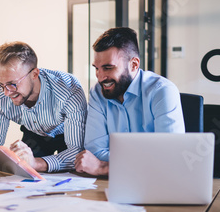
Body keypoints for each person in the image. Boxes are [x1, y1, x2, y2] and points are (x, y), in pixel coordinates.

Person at [75, 27, 185, 176]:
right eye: (97, 68)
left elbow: (170, 157)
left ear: (134, 65)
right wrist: (146, 160)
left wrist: (104, 167)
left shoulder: (162, 91)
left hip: (157, 184)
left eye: (108, 68)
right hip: (110, 186)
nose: (100, 77)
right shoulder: (97, 93)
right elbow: (94, 152)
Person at [0, 41, 87, 172]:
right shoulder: (1, 92)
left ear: (34, 74)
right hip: (34, 132)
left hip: (66, 132)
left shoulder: (69, 89)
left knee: (74, 171)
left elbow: (76, 154)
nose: (6, 92)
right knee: (25, 173)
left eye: (12, 84)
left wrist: (36, 163)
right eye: (1, 84)